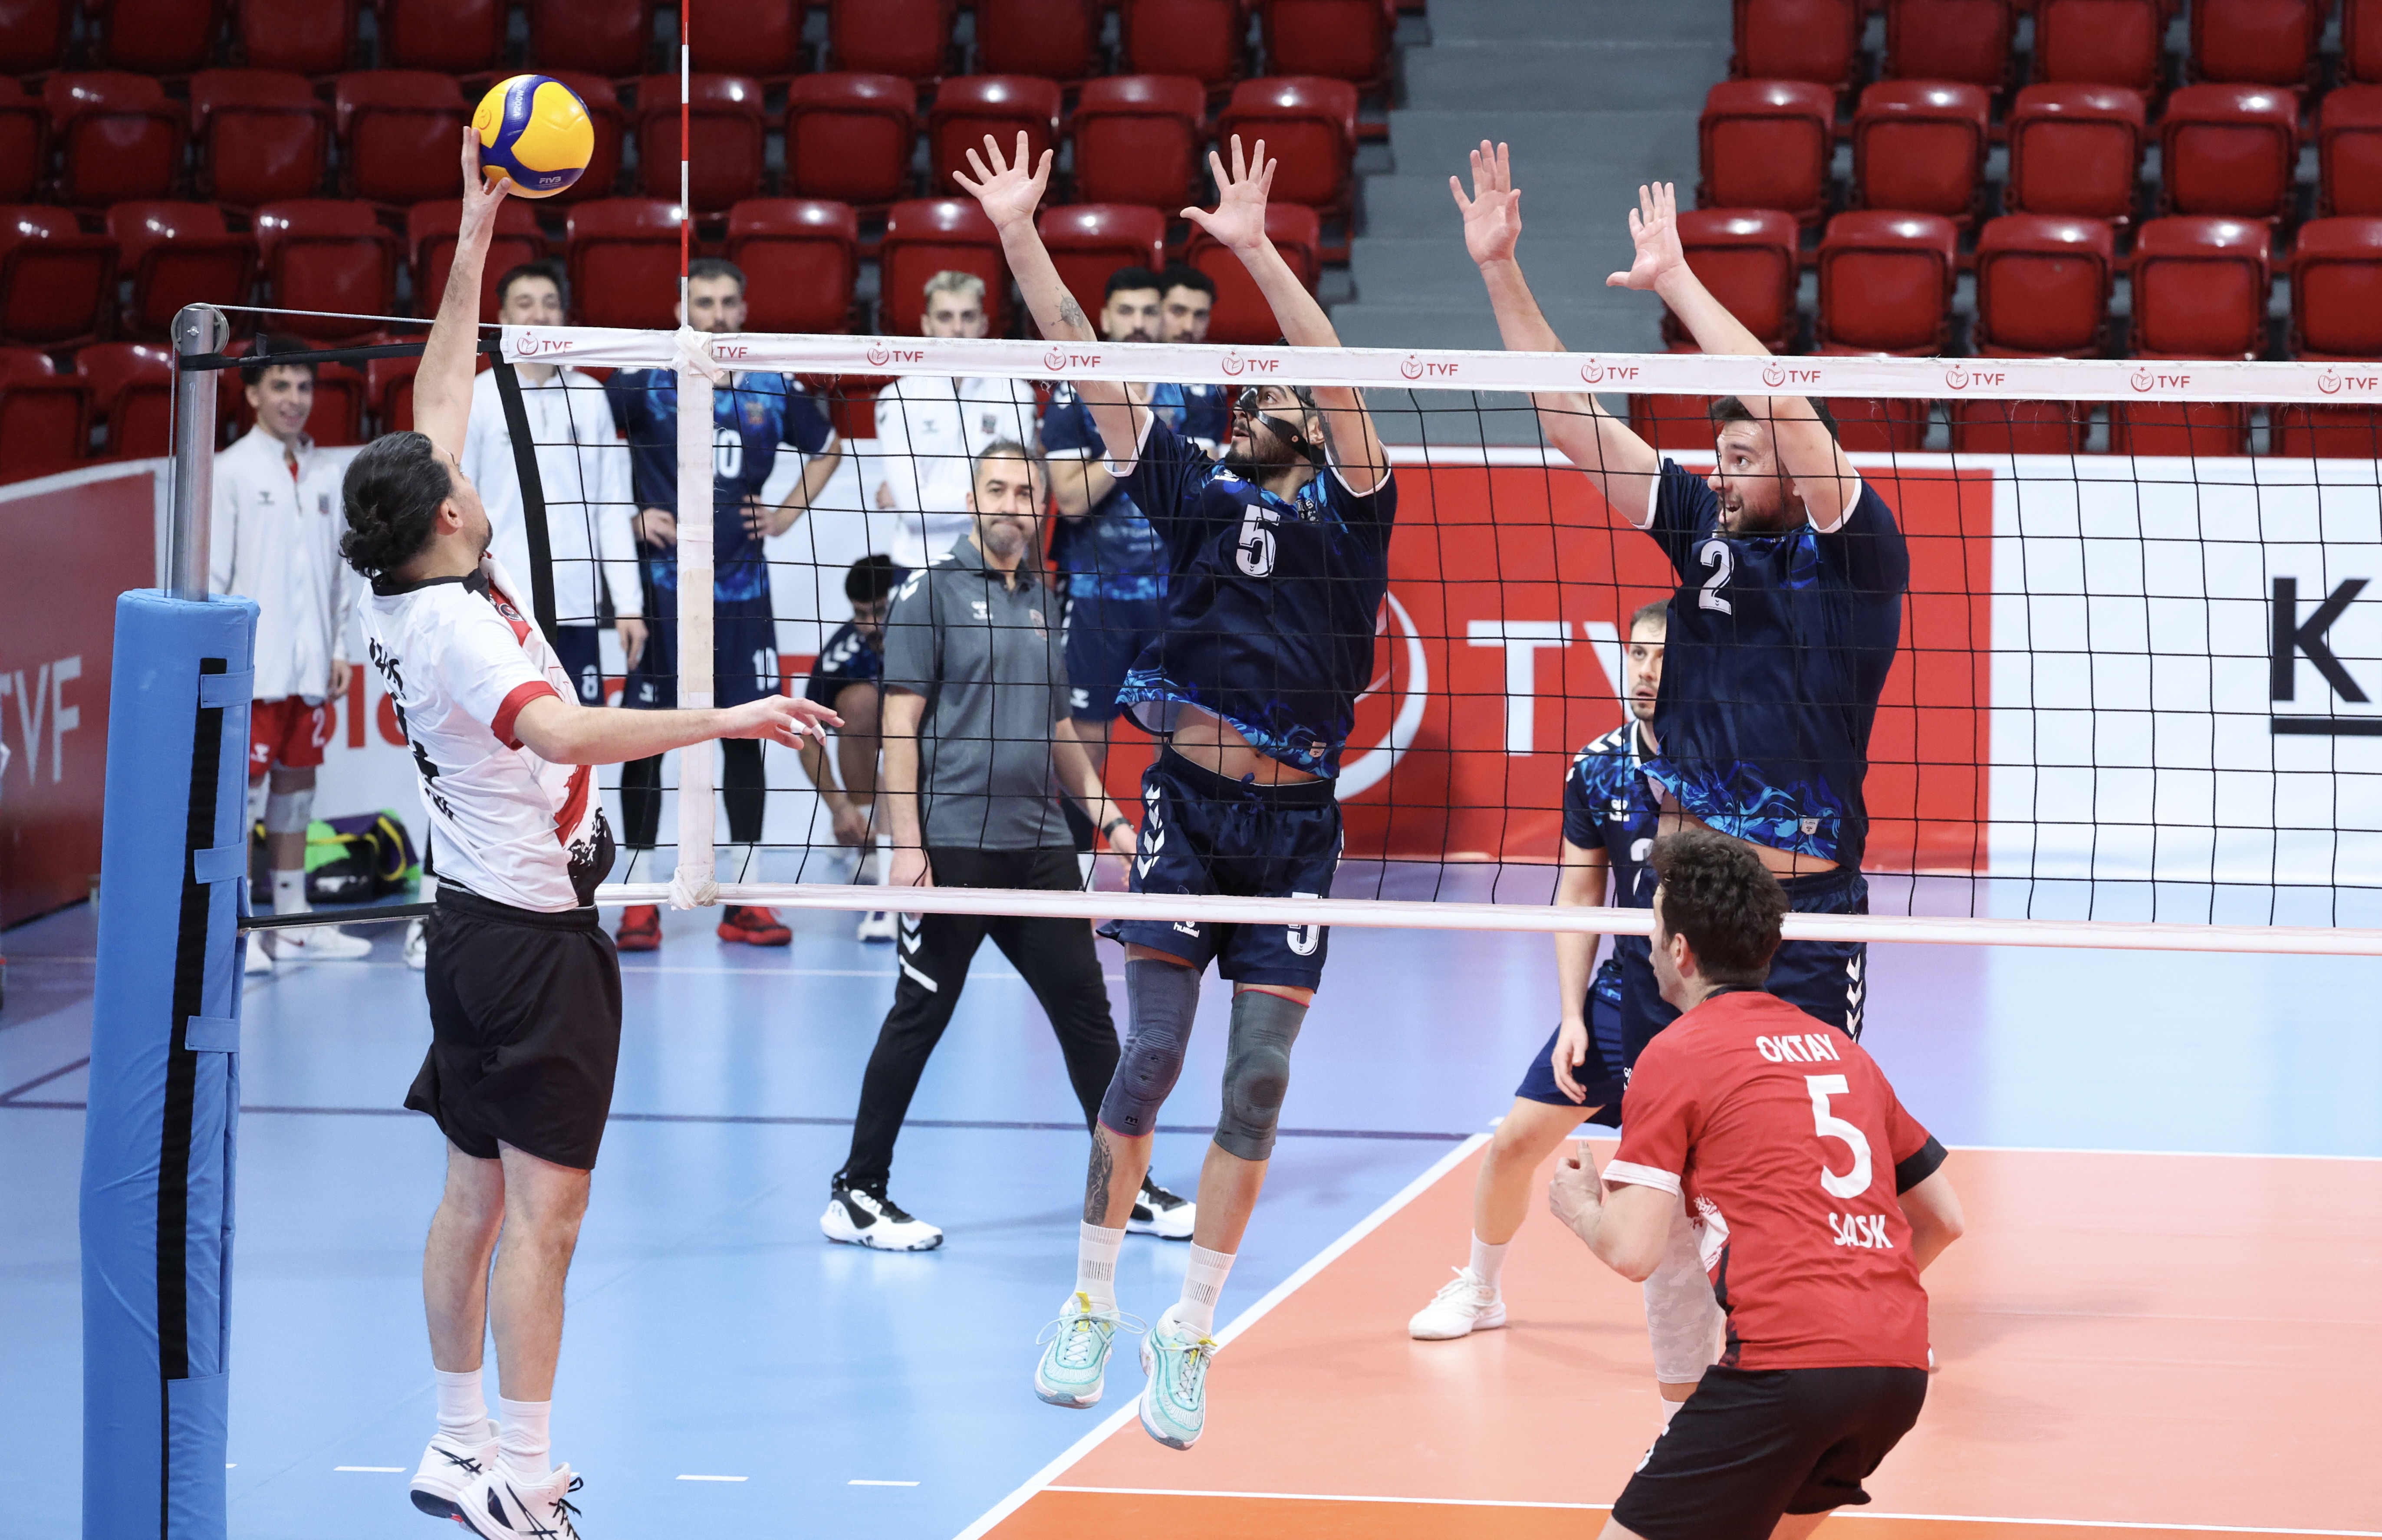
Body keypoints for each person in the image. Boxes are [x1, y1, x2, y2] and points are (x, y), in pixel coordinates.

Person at [349, 130, 837, 1540]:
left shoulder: (414, 577)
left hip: (470, 925)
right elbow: (561, 736)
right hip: (528, 943)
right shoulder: (454, 628)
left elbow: (440, 387)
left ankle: (455, 1444)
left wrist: (471, 226)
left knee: (472, 1191)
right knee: (545, 1217)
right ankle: (521, 1467)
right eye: (450, 469)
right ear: (452, 512)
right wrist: (729, 717)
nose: (458, 455)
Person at [959, 132, 1394, 1449]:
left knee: (1256, 1083)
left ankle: (1188, 1327)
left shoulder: (1356, 513)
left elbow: (1334, 371)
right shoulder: (1196, 492)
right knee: (1147, 1058)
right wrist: (1019, 234)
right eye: (1249, 394)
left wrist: (1256, 251)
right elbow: (1086, 363)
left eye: (1275, 399)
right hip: (1189, 812)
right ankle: (1091, 1299)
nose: (1253, 400)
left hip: (1295, 829)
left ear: (1308, 432)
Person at [1456, 151, 1908, 1063]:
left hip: (1801, 915)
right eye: (1718, 457)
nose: (1720, 475)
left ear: (1796, 471)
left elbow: (1788, 410)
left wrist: (1675, 281)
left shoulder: (1855, 556)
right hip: (1687, 912)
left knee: (1801, 1128)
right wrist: (1498, 266)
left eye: (1742, 460)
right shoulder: (1703, 524)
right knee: (1666, 1129)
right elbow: (1570, 421)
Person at [824, 442, 1195, 1251]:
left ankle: (1125, 1186)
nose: (1011, 504)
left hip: (1038, 849)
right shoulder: (929, 592)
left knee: (1089, 1018)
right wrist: (907, 846)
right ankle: (856, 1192)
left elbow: (1060, 729)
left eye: (1025, 492)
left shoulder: (1043, 596)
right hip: (954, 848)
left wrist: (1114, 824)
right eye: (996, 489)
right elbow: (899, 726)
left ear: (1040, 507)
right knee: (920, 1015)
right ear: (972, 499)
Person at [1547, 829, 1964, 1540]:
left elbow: (1634, 1251)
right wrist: (1850, 1301)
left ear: (1680, 950)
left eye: (1654, 928)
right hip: (1896, 1373)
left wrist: (1580, 1208)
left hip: (1786, 1372)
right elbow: (1944, 1220)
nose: (1648, 944)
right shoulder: (1842, 1053)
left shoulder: (1675, 1054)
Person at [1408, 600, 1667, 1341]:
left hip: (1710, 1000)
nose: (1646, 672)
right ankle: (1481, 1289)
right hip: (1627, 994)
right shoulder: (1598, 766)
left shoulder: (1730, 764)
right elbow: (1579, 893)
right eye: (1637, 654)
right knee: (1515, 1142)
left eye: (1664, 657)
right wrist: (1574, 1014)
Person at [604, 256, 844, 952]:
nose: (715, 315)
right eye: (703, 302)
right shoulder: (645, 379)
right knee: (645, 739)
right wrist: (628, 516)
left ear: (744, 309)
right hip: (661, 595)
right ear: (682, 309)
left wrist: (785, 515)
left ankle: (745, 897)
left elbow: (829, 449)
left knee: (750, 736)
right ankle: (640, 898)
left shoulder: (771, 383)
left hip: (743, 592)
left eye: (727, 302)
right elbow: (583, 449)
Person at [211, 335, 371, 974]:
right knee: (241, 799)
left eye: (304, 386)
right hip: (253, 671)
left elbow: (337, 579)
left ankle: (295, 925)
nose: (294, 399)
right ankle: (239, 928)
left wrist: (338, 648)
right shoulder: (230, 472)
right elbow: (214, 579)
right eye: (280, 386)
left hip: (309, 669)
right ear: (252, 394)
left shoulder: (329, 473)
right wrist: (221, 665)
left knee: (298, 793)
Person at [460, 260, 644, 707]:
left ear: (564, 316)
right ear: (503, 318)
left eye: (550, 304)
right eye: (525, 304)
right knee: (509, 737)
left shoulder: (589, 397)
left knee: (582, 733)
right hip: (501, 605)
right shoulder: (478, 396)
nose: (539, 315)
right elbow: (461, 513)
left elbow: (610, 508)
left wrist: (629, 604)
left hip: (577, 605)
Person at [1040, 266, 1179, 814]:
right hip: (1095, 595)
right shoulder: (1074, 393)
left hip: (1175, 595)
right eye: (1126, 311)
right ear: (1103, 318)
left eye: (1149, 311)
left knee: (1179, 744)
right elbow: (1071, 498)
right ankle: (1074, 858)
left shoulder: (1195, 387)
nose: (1138, 323)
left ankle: (1173, 853)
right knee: (1085, 744)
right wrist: (1132, 433)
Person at [870, 269, 1041, 570]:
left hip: (997, 563)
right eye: (945, 317)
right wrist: (992, 498)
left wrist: (924, 498)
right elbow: (914, 510)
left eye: (968, 316)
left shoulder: (1017, 394)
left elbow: (1017, 500)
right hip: (919, 564)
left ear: (984, 324)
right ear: (927, 324)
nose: (958, 328)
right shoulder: (896, 398)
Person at [798, 554, 905, 942]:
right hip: (876, 740)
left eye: (880, 611)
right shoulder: (842, 652)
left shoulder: (937, 634)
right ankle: (868, 839)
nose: (870, 625)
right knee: (858, 704)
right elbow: (805, 734)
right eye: (861, 614)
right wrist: (839, 807)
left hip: (930, 743)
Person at [1157, 263, 1231, 452]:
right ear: (1156, 310)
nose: (1189, 327)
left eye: (1200, 315)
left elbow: (1204, 459)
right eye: (1178, 311)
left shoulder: (1210, 382)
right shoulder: (1110, 369)